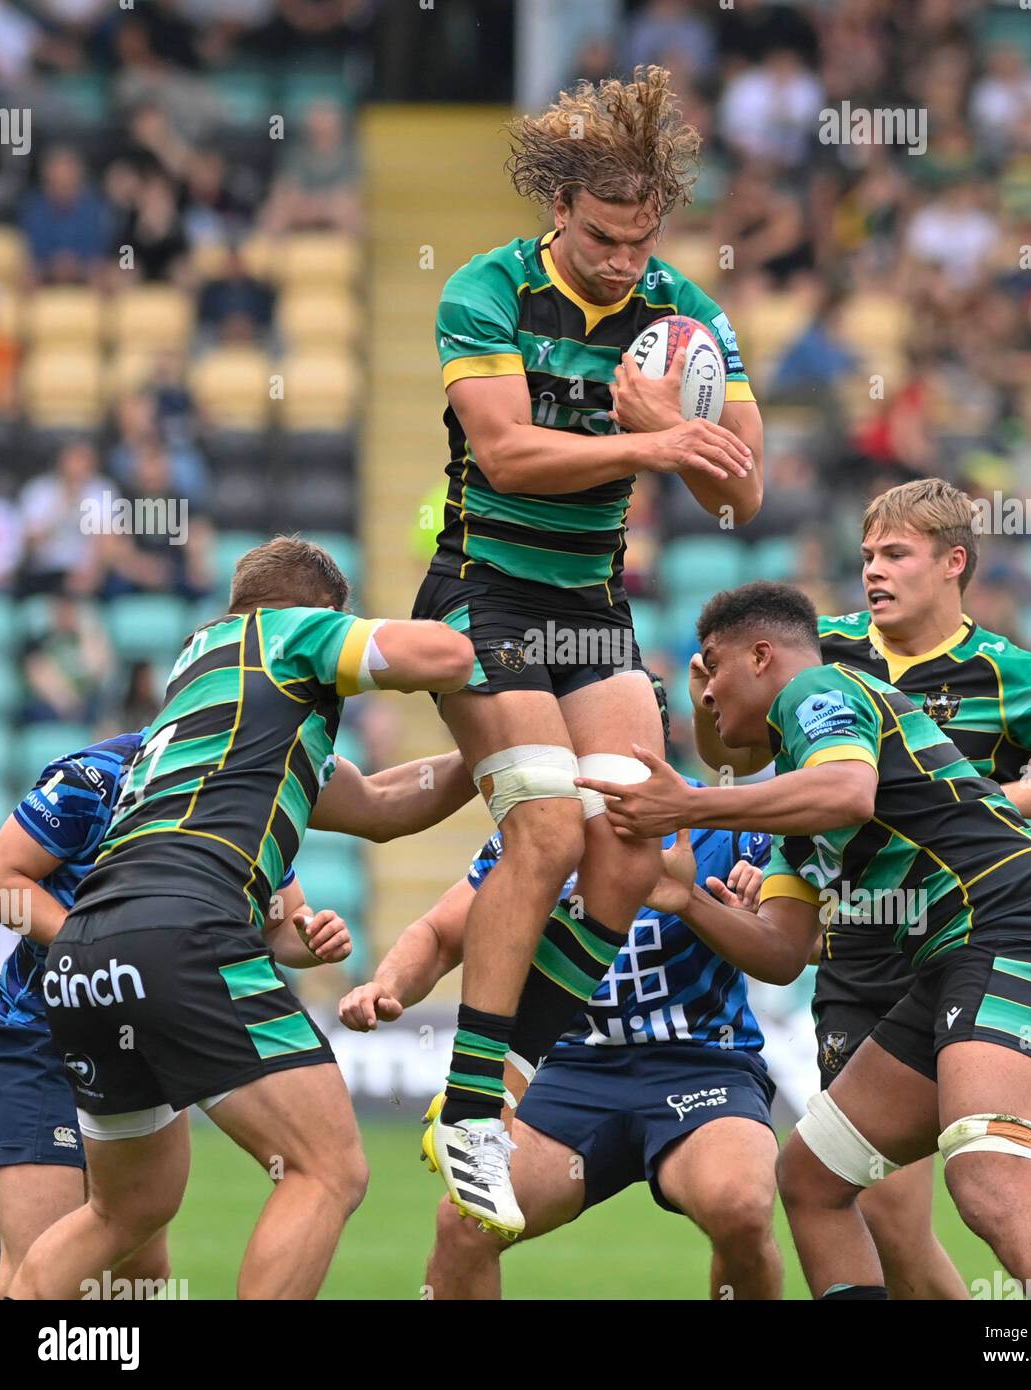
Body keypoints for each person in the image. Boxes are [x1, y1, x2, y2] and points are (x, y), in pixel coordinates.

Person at [410, 65, 763, 1238]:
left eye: (641, 239)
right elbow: (506, 456)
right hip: (485, 590)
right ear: (558, 207)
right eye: (604, 239)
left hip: (589, 609)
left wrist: (678, 437)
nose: (624, 261)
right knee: (550, 828)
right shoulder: (486, 288)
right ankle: (470, 1104)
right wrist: (659, 452)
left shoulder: (685, 316)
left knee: (632, 843)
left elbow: (741, 495)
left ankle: (503, 1069)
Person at [578, 580, 1031, 1301]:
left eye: (711, 664)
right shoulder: (794, 803)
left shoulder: (817, 693)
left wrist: (690, 803)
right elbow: (781, 951)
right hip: (953, 963)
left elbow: (849, 793)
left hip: (1016, 935)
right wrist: (684, 898)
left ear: (761, 656)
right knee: (810, 1178)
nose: (704, 692)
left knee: (989, 1179)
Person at [689, 479, 1031, 1299]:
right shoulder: (817, 651)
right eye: (867, 554)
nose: (873, 570)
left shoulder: (1007, 669)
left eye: (896, 554)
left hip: (990, 923)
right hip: (864, 955)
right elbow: (735, 758)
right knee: (872, 1207)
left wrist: (976, 800)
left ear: (953, 563)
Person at [6, 535, 475, 1300]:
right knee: (328, 1168)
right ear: (323, 613)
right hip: (184, 927)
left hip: (86, 948)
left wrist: (512, 753)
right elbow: (448, 657)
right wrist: (537, 665)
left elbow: (391, 805)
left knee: (125, 1209)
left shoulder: (209, 692)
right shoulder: (290, 632)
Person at [341, 676, 782, 1298]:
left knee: (740, 1207)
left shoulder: (720, 823)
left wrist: (742, 905)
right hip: (569, 1072)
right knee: (464, 1226)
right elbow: (441, 937)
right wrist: (385, 984)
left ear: (659, 740)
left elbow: (789, 944)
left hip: (701, 1065)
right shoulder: (539, 841)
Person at [0, 731, 352, 1298]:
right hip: (38, 1036)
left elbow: (280, 922)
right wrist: (93, 952)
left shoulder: (238, 800)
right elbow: (0, 878)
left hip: (140, 1034)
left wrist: (314, 937)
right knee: (36, 1273)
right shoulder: (96, 774)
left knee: (137, 1275)